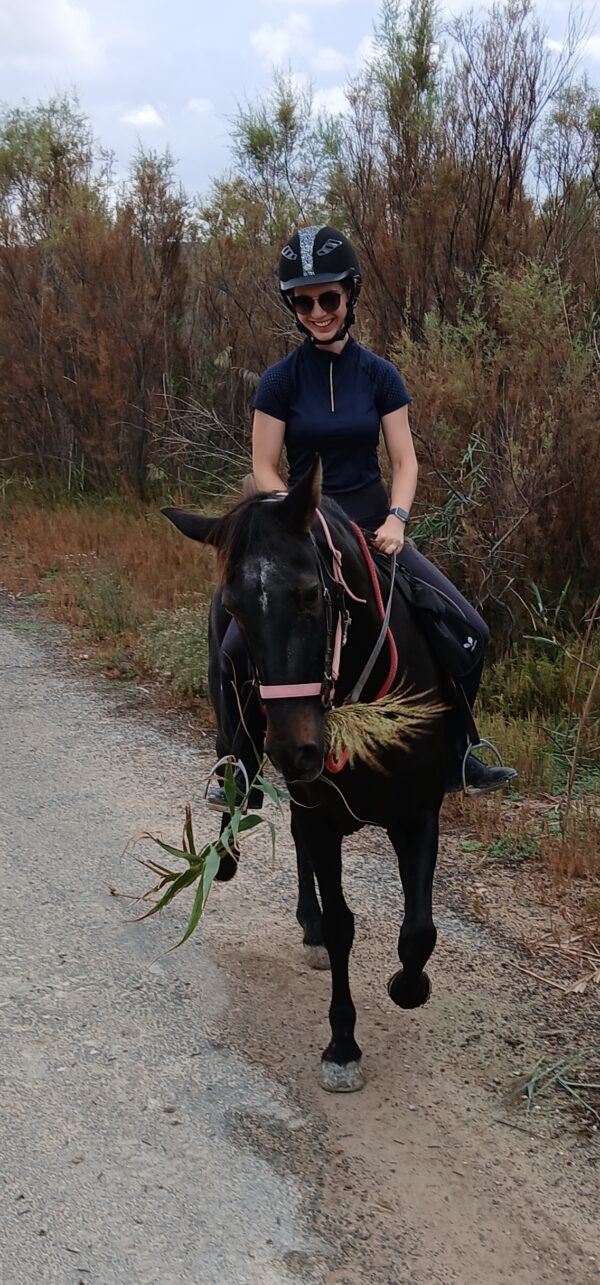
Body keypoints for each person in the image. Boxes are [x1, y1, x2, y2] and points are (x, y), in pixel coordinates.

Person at [208, 224, 516, 807]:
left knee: (471, 633)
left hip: (377, 531)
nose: (318, 311)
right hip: (301, 532)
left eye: (329, 298)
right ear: (293, 306)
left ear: (349, 296)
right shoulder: (278, 382)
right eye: (305, 301)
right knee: (230, 650)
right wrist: (301, 518)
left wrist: (398, 518)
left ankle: (457, 754)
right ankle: (238, 769)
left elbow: (404, 459)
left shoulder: (379, 375)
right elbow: (266, 466)